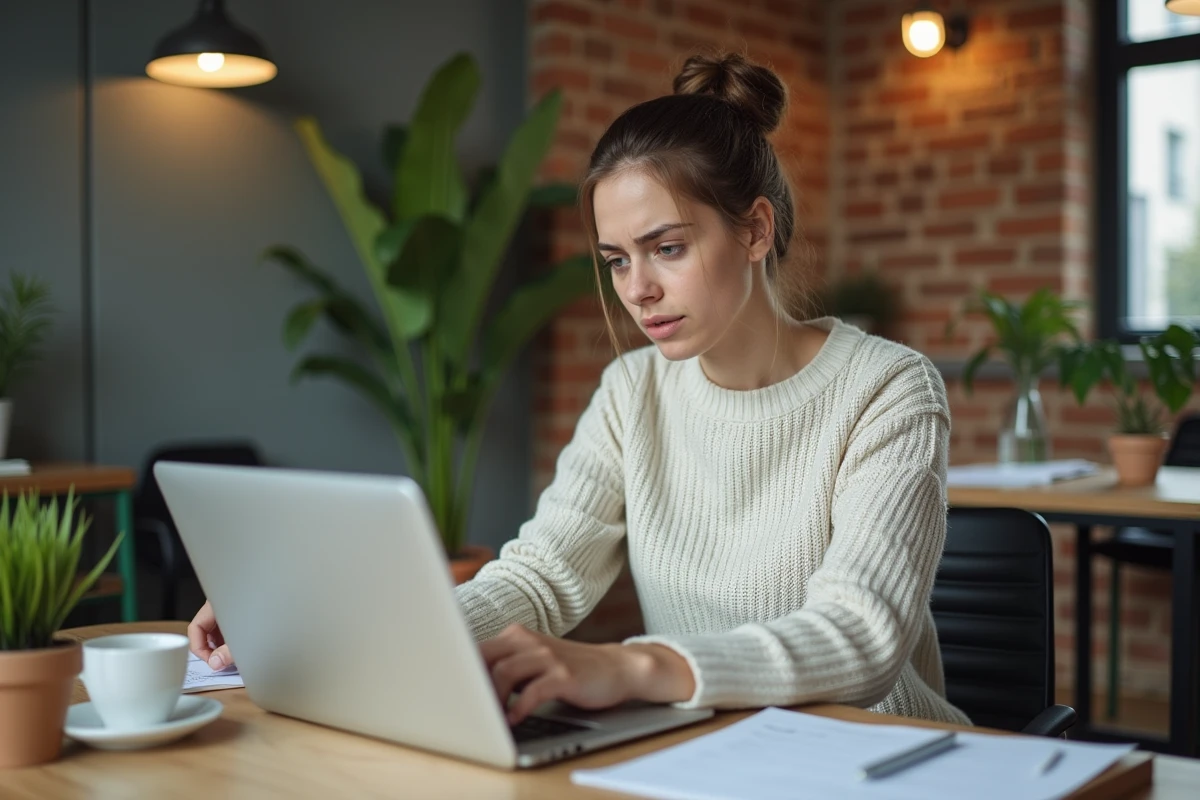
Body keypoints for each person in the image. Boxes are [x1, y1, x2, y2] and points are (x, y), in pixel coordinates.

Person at [190, 52, 970, 728]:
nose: (640, 289)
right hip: (706, 755)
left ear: (756, 231)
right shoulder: (634, 392)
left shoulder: (887, 390)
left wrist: (633, 669)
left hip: (881, 758)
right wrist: (330, 629)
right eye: (617, 260)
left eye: (666, 247)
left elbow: (860, 637)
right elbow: (542, 575)